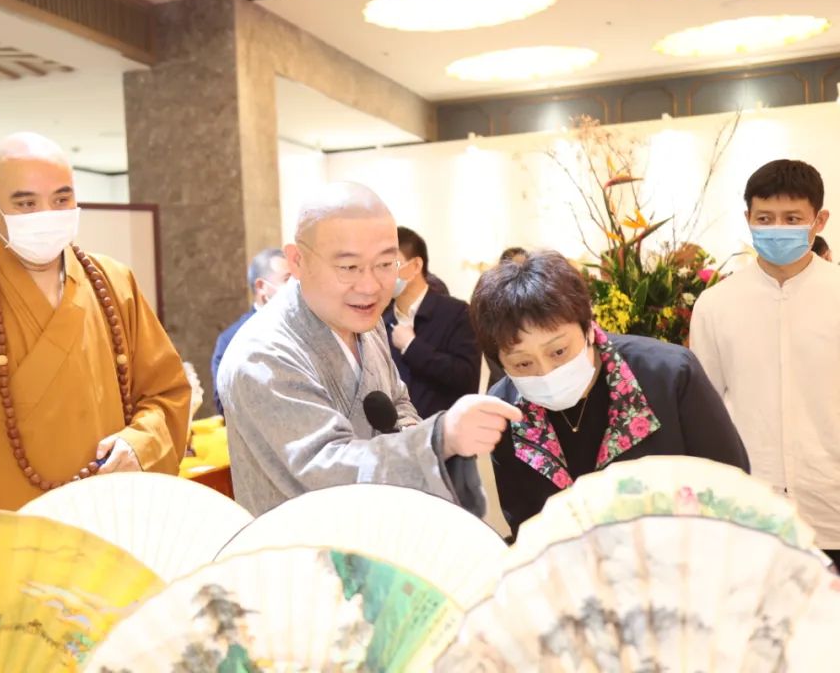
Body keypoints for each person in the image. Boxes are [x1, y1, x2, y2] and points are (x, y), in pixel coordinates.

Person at [0, 132, 191, 512]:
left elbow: (168, 394)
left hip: (111, 511)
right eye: (26, 203)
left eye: (61, 199)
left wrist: (140, 445)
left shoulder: (114, 283)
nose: (47, 215)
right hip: (10, 523)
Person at [217, 182, 523, 517]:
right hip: (306, 543)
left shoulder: (364, 320)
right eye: (349, 267)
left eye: (385, 264)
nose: (370, 286)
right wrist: (437, 439)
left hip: (381, 530)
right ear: (297, 260)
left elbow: (397, 401)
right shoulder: (263, 355)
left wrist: (416, 432)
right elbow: (326, 471)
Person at [472, 250, 749, 539]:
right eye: (523, 364)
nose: (546, 372)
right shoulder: (506, 413)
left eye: (559, 351)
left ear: (588, 327)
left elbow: (732, 487)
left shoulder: (668, 375)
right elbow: (528, 527)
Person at [691, 159, 840, 568]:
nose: (777, 228)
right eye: (765, 218)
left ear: (819, 220)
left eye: (792, 218)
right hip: (752, 509)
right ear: (748, 219)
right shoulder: (716, 304)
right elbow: (704, 409)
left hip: (832, 502)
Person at [383, 226, 480, 418]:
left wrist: (412, 346)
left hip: (445, 430)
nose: (382, 274)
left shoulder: (456, 313)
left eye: (389, 265)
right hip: (399, 432)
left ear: (415, 266)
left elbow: (467, 377)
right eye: (378, 266)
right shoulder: (382, 322)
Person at [210, 248, 290, 415]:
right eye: (287, 279)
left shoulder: (308, 327)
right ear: (261, 287)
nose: (296, 287)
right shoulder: (231, 339)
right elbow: (224, 401)